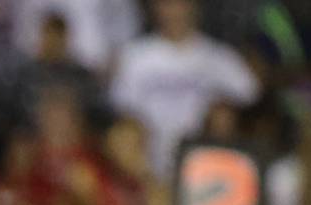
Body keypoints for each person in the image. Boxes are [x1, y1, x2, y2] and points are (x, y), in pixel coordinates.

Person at [108, 0, 259, 175]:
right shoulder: (134, 57)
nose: (175, 11)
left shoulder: (219, 58)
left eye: (181, 3)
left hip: (206, 167)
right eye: (168, 4)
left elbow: (252, 101)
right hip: (148, 169)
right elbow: (122, 113)